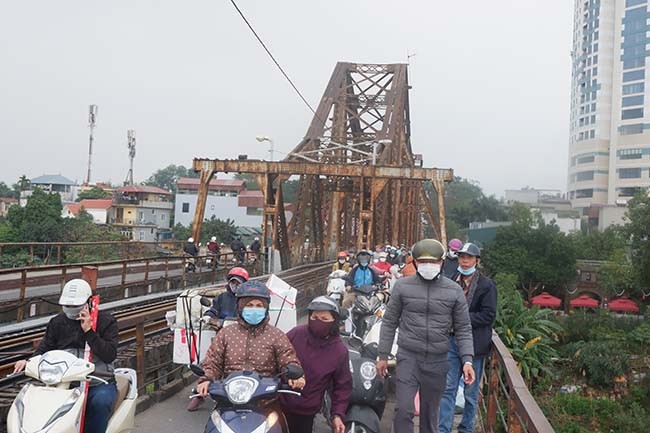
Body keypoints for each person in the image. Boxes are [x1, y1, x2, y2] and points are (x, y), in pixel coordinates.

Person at [377, 239, 475, 433]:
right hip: (408, 357)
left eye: (434, 261)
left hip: (438, 360)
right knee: (403, 409)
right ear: (414, 262)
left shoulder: (453, 290)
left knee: (430, 415)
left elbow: (463, 328)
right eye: (423, 261)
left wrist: (467, 360)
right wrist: (382, 355)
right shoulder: (403, 287)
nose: (428, 265)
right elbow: (389, 322)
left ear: (442, 262)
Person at [13, 279, 119, 433]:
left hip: (98, 382)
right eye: (67, 306)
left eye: (75, 306)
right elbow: (45, 348)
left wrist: (89, 331)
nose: (70, 309)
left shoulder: (106, 321)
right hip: (62, 382)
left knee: (100, 403)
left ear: (88, 302)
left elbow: (109, 355)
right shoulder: (57, 322)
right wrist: (28, 361)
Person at [195, 280, 306, 397]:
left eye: (259, 306)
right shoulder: (226, 333)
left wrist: (296, 376)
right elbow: (213, 361)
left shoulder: (276, 335)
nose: (254, 309)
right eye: (249, 305)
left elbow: (288, 359)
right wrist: (206, 379)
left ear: (266, 308)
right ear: (240, 307)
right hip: (230, 397)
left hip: (265, 399)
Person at [439, 243, 497, 433]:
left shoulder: (486, 285)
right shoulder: (450, 280)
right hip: (451, 342)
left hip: (475, 344)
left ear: (477, 261)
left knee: (471, 392)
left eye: (469, 257)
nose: (464, 261)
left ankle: (466, 428)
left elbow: (488, 315)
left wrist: (461, 319)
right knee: (448, 389)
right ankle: (443, 429)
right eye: (462, 257)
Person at [281, 296, 352, 433]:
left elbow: (342, 387)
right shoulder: (296, 333)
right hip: (279, 403)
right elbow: (278, 355)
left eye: (324, 319)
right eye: (314, 318)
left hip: (306, 412)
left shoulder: (339, 351)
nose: (318, 322)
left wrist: (337, 415)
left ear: (334, 321)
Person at [187, 267, 251, 411]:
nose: (235, 285)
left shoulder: (248, 300)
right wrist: (208, 316)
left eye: (238, 282)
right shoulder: (221, 297)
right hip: (222, 334)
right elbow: (214, 310)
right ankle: (199, 393)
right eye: (232, 282)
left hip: (243, 337)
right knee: (213, 361)